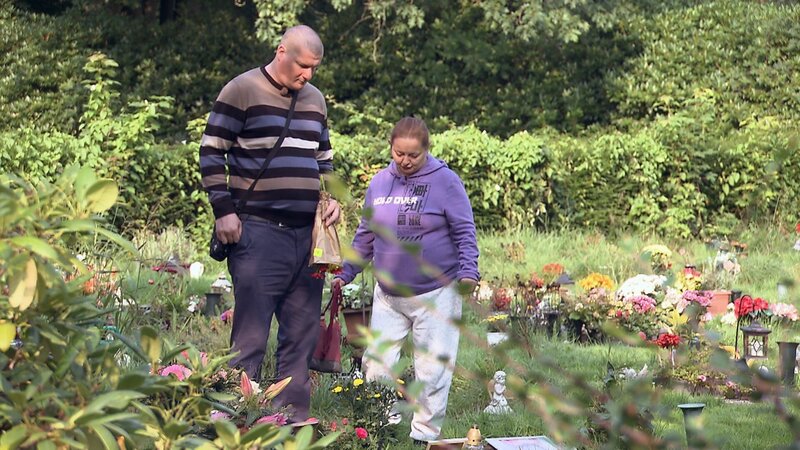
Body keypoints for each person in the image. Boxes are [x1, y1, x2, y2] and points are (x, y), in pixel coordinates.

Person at [199, 25, 340, 422]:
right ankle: (234, 422)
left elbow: (325, 161)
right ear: (282, 52)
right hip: (257, 233)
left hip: (306, 238)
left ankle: (289, 423)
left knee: (301, 334)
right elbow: (211, 152)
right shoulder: (241, 90)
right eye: (303, 66)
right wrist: (223, 210)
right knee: (250, 337)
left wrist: (333, 202)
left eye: (314, 68)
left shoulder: (315, 100)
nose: (308, 76)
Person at [332, 117, 480, 444]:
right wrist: (344, 274)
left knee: (432, 371)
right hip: (389, 294)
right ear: (391, 148)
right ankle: (382, 425)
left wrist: (469, 271)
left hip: (436, 293)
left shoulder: (446, 182)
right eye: (399, 153)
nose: (405, 161)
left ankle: (422, 437)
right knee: (376, 365)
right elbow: (364, 238)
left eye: (413, 155)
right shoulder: (380, 183)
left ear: (426, 150)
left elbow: (465, 231)